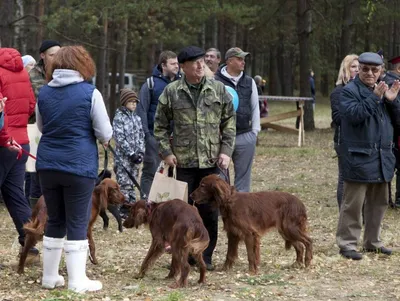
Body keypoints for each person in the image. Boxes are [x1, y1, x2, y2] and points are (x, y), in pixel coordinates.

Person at [36, 46, 112, 292]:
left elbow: (41, 127)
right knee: (78, 221)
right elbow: (105, 132)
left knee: (55, 219)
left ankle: (50, 277)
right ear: (83, 65)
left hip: (47, 164)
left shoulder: (44, 93)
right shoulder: (90, 93)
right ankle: (78, 281)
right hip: (78, 165)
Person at [154, 45, 236, 271]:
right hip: (183, 161)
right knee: (182, 211)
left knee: (209, 212)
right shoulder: (172, 92)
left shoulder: (218, 90)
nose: (201, 66)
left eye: (202, 61)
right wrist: (167, 152)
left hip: (211, 161)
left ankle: (204, 255)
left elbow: (229, 122)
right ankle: (182, 255)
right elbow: (159, 126)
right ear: (183, 67)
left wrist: (226, 152)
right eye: (195, 63)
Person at [336, 52, 400, 260]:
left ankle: (373, 241)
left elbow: (396, 122)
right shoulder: (349, 91)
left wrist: (391, 101)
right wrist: (375, 98)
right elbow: (353, 116)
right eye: (365, 69)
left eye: (375, 70)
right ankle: (347, 243)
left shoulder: (383, 91)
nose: (370, 73)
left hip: (382, 157)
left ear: (381, 71)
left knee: (379, 203)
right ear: (359, 70)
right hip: (358, 157)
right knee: (353, 204)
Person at [0, 48, 37, 261]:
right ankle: (30, 249)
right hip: (22, 142)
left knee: (15, 194)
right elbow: (31, 104)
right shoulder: (22, 72)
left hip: (4, 142)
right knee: (15, 195)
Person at [214, 47, 260, 192]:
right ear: (229, 61)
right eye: (239, 59)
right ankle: (222, 211)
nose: (243, 62)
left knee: (243, 178)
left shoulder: (249, 82)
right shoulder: (214, 81)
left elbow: (255, 107)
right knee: (219, 178)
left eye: (244, 59)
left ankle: (242, 211)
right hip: (220, 137)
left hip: (244, 135)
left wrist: (254, 132)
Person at [137, 51, 180, 199]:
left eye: (177, 63)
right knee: (151, 171)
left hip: (177, 138)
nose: (177, 66)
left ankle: (169, 205)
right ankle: (146, 204)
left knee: (174, 173)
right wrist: (147, 136)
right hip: (154, 137)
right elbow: (141, 109)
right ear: (163, 65)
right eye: (173, 63)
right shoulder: (150, 84)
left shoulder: (182, 82)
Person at [26, 40, 61, 209]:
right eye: (52, 55)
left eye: (58, 54)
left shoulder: (63, 73)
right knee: (36, 174)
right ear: (42, 55)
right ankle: (35, 214)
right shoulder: (31, 75)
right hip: (36, 128)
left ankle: (54, 211)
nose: (56, 58)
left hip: (58, 129)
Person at [330, 54, 359, 209]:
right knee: (344, 178)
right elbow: (337, 119)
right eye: (353, 67)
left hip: (361, 140)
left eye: (359, 67)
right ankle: (344, 211)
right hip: (343, 141)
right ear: (346, 69)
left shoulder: (365, 90)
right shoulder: (338, 92)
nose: (357, 70)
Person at [113, 88, 145, 215]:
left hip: (136, 158)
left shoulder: (137, 118)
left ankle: (132, 207)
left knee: (133, 182)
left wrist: (140, 153)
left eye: (135, 102)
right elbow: (119, 138)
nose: (134, 104)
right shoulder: (119, 118)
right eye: (131, 101)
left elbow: (141, 136)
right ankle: (123, 208)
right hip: (124, 159)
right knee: (124, 183)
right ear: (124, 102)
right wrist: (130, 153)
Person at [384, 55, 400, 208]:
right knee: (390, 165)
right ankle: (387, 199)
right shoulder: (392, 83)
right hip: (393, 132)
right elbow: (396, 110)